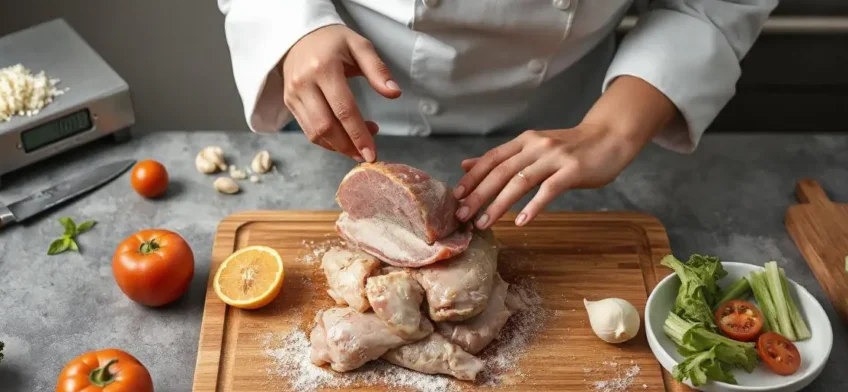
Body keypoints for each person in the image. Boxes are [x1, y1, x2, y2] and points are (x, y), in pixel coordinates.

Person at [218, 0, 776, 229]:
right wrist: (290, 24)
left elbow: (714, 4)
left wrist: (612, 128)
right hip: (345, 94)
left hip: (568, 128)